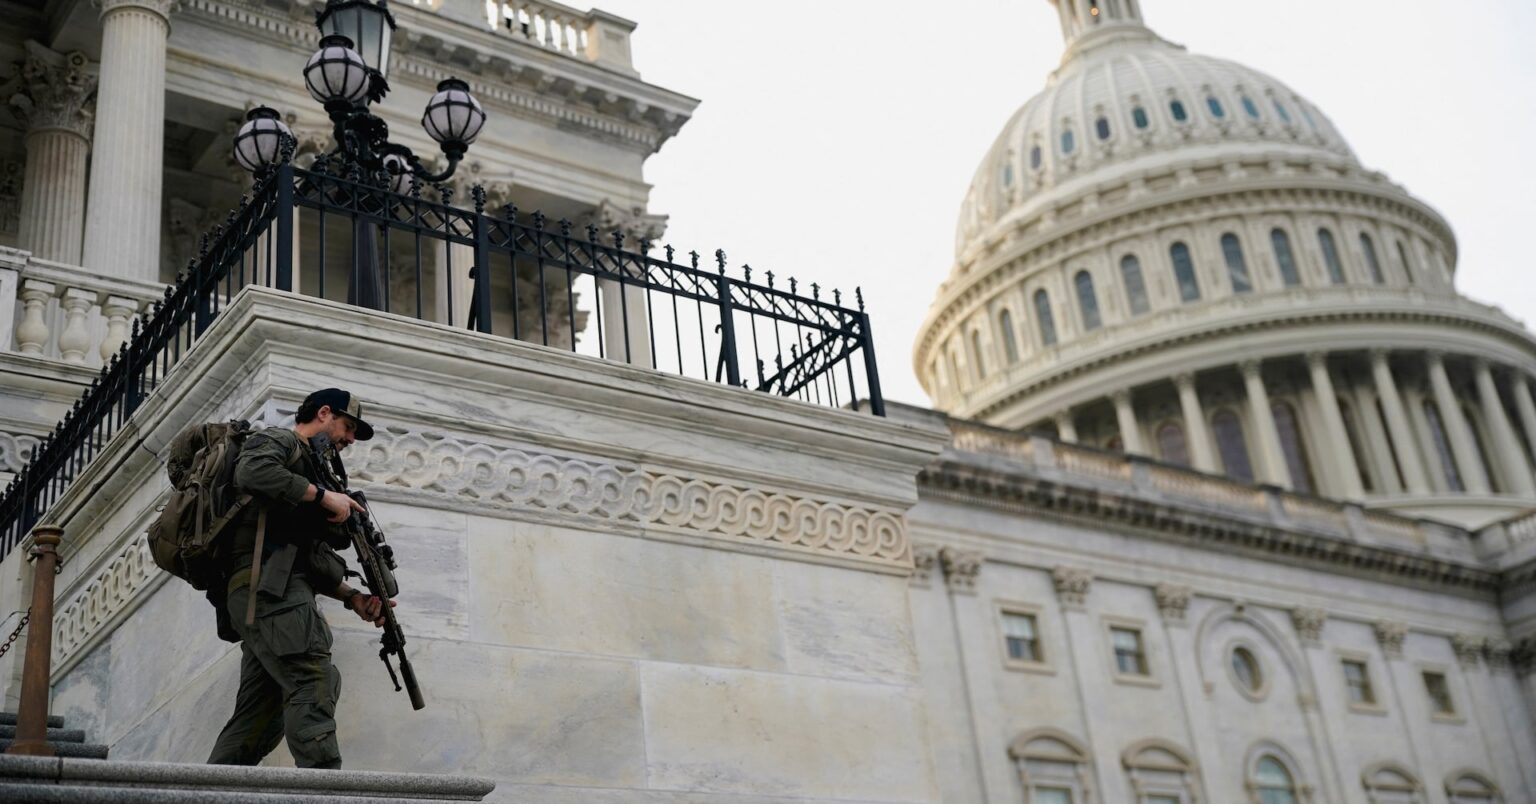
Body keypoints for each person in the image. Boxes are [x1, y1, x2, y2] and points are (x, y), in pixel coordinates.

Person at [207, 388, 394, 769]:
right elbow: (253, 470)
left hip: (269, 592)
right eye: (348, 427)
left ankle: (206, 789)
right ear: (324, 413)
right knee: (314, 680)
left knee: (259, 715)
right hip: (268, 592)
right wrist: (324, 497)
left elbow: (299, 555)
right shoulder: (279, 439)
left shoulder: (310, 469)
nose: (349, 439)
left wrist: (351, 596)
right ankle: (324, 790)